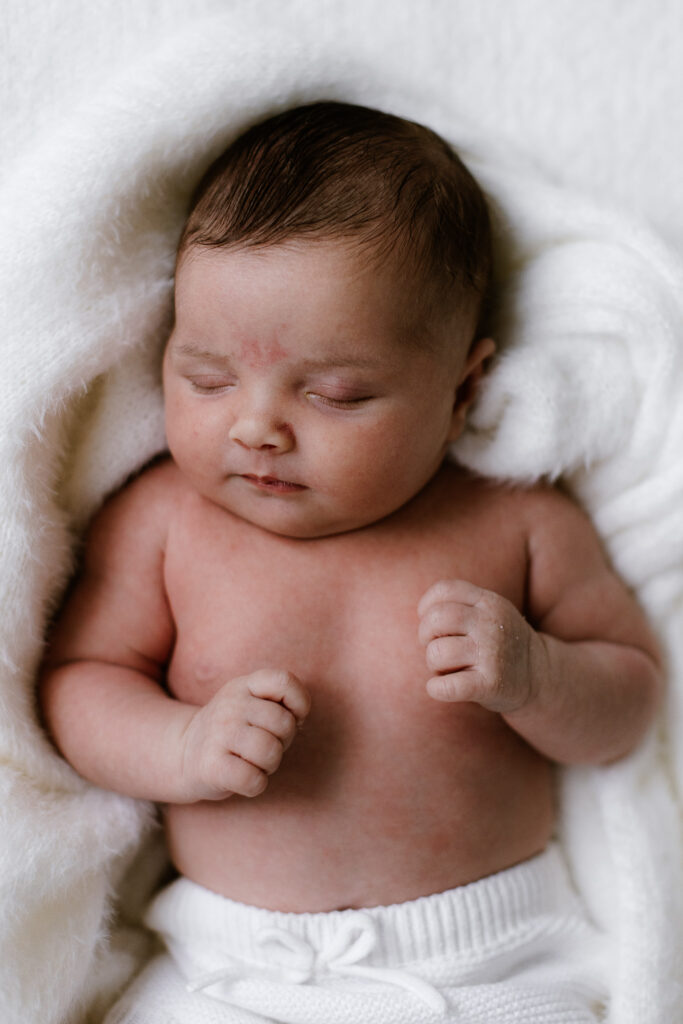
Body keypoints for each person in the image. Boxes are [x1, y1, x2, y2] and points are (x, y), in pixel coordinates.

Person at [39, 102, 661, 1023]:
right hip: (237, 971)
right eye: (206, 377)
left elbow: (628, 703)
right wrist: (179, 742)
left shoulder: (517, 521)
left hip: (494, 966)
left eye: (334, 393)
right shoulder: (166, 521)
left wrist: (537, 674)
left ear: (462, 391)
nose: (256, 425)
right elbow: (79, 684)